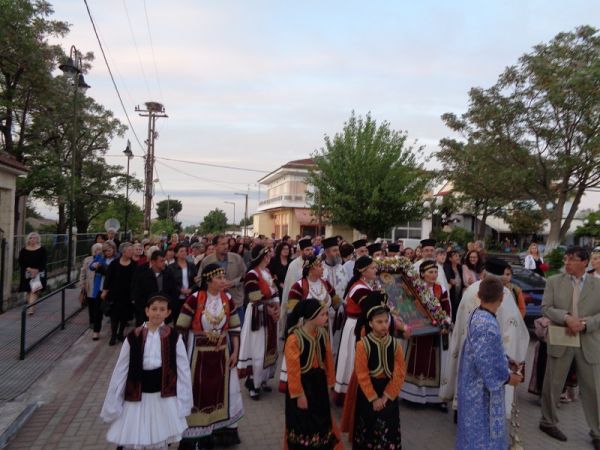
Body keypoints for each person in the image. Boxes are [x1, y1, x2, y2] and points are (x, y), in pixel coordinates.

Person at [440, 257, 530, 421]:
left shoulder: (471, 290)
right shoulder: (504, 293)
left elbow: (460, 322)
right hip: (491, 353)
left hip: (468, 350)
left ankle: (460, 412)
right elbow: (511, 330)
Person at [100, 295, 193, 449]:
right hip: (138, 394)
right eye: (154, 309)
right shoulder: (133, 336)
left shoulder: (174, 336)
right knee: (138, 435)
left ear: (168, 313)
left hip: (163, 394)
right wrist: (114, 400)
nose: (157, 313)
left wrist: (184, 400)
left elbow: (183, 369)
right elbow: (121, 369)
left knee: (159, 437)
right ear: (147, 311)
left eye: (162, 309)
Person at [176, 264, 243, 449]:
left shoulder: (228, 299)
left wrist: (235, 352)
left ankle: (215, 433)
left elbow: (235, 329)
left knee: (219, 392)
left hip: (222, 354)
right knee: (197, 392)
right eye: (220, 277)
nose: (223, 280)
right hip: (197, 356)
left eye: (224, 277)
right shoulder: (194, 299)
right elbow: (181, 328)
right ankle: (193, 437)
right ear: (209, 279)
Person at [539, 247, 600, 448]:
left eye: (572, 259)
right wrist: (566, 318)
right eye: (566, 259)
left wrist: (585, 324)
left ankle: (597, 431)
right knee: (553, 383)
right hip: (562, 338)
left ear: (585, 262)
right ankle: (548, 422)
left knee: (593, 389)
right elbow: (546, 308)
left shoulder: (597, 285)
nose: (567, 263)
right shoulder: (554, 281)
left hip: (588, 340)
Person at [455, 277, 524, 450]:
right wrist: (508, 378)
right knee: (481, 437)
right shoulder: (487, 325)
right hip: (480, 393)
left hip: (470, 385)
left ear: (479, 295)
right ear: (502, 298)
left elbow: (486, 350)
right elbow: (486, 363)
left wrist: (508, 361)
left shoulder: (477, 314)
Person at [343, 291, 405, 450]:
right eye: (379, 322)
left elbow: (399, 372)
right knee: (368, 430)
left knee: (388, 430)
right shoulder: (363, 345)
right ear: (370, 323)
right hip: (369, 393)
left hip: (388, 391)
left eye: (386, 321)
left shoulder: (395, 344)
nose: (384, 325)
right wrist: (373, 398)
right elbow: (362, 374)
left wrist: (386, 397)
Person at [283, 299, 342, 450]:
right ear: (312, 316)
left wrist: (330, 384)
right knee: (303, 422)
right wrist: (299, 395)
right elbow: (293, 371)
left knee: (321, 420)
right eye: (322, 315)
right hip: (303, 386)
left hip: (319, 384)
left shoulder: (322, 334)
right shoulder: (294, 338)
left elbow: (328, 361)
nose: (326, 317)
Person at [400, 260, 451, 409]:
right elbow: (406, 306)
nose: (434, 275)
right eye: (430, 272)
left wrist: (445, 322)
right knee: (416, 360)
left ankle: (433, 397)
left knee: (433, 362)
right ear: (422, 274)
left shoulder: (440, 288)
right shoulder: (414, 288)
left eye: (435, 272)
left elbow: (446, 308)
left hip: (434, 331)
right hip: (418, 330)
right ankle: (412, 396)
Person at [237, 245, 280, 400]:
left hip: (270, 314)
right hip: (258, 314)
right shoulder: (252, 274)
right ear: (262, 256)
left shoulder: (267, 272)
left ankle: (263, 379)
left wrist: (277, 307)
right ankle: (253, 385)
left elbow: (274, 291)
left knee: (270, 346)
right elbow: (254, 297)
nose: (270, 257)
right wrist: (269, 308)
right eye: (268, 255)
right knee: (258, 348)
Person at [334, 256, 375, 398]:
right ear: (363, 271)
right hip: (356, 326)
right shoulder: (359, 288)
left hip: (361, 324)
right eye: (373, 268)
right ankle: (351, 391)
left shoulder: (365, 285)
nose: (376, 270)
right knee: (353, 358)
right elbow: (371, 309)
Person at [200, 235, 247, 316]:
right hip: (213, 304)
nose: (226, 246)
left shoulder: (236, 258)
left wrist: (233, 283)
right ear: (215, 246)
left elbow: (245, 275)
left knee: (237, 328)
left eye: (227, 244)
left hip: (235, 302)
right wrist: (214, 285)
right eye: (223, 244)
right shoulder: (207, 261)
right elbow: (199, 279)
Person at [130, 250, 178, 326]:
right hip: (146, 315)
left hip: (164, 314)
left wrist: (168, 309)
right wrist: (146, 311)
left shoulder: (169, 275)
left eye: (164, 261)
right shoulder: (143, 277)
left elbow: (174, 294)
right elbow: (138, 296)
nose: (164, 263)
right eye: (161, 261)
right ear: (153, 262)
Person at [102, 243, 137, 346]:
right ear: (123, 252)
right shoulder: (114, 263)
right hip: (115, 294)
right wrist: (105, 290)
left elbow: (136, 281)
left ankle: (120, 333)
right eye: (130, 250)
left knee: (124, 316)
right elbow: (108, 278)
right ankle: (113, 335)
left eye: (132, 250)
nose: (132, 252)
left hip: (128, 295)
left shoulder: (134, 264)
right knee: (114, 316)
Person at [280, 238, 314, 334]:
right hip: (298, 304)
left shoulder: (315, 263)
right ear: (301, 251)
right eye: (307, 250)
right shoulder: (294, 265)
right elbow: (290, 289)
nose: (310, 252)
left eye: (311, 249)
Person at [168, 244, 198, 325]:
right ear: (176, 254)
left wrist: (191, 289)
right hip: (177, 298)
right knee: (178, 321)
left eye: (185, 251)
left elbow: (197, 281)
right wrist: (180, 290)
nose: (184, 253)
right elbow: (169, 283)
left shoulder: (191, 265)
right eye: (181, 251)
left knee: (190, 320)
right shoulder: (171, 267)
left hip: (190, 297)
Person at [18, 232, 47, 315]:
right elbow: (21, 262)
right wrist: (29, 269)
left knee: (34, 291)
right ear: (28, 239)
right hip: (27, 272)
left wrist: (36, 270)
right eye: (31, 238)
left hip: (38, 272)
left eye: (34, 238)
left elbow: (43, 262)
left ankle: (30, 308)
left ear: (38, 240)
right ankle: (31, 306)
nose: (32, 239)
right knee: (28, 290)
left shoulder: (42, 250)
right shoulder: (23, 250)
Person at [80, 243, 104, 335]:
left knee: (98, 305)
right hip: (90, 285)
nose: (98, 251)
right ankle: (92, 321)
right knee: (91, 304)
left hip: (99, 285)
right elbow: (83, 272)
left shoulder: (103, 259)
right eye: (96, 249)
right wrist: (82, 283)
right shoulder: (87, 259)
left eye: (100, 249)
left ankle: (97, 320)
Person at [321, 236, 349, 302]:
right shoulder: (320, 268)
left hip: (342, 308)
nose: (338, 253)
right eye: (334, 250)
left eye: (338, 250)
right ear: (326, 253)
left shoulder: (343, 268)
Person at [443, 250, 463, 323]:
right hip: (451, 295)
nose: (458, 258)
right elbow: (446, 279)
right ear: (450, 259)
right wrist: (449, 281)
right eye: (456, 256)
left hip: (459, 294)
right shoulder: (447, 268)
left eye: (458, 256)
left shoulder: (460, 268)